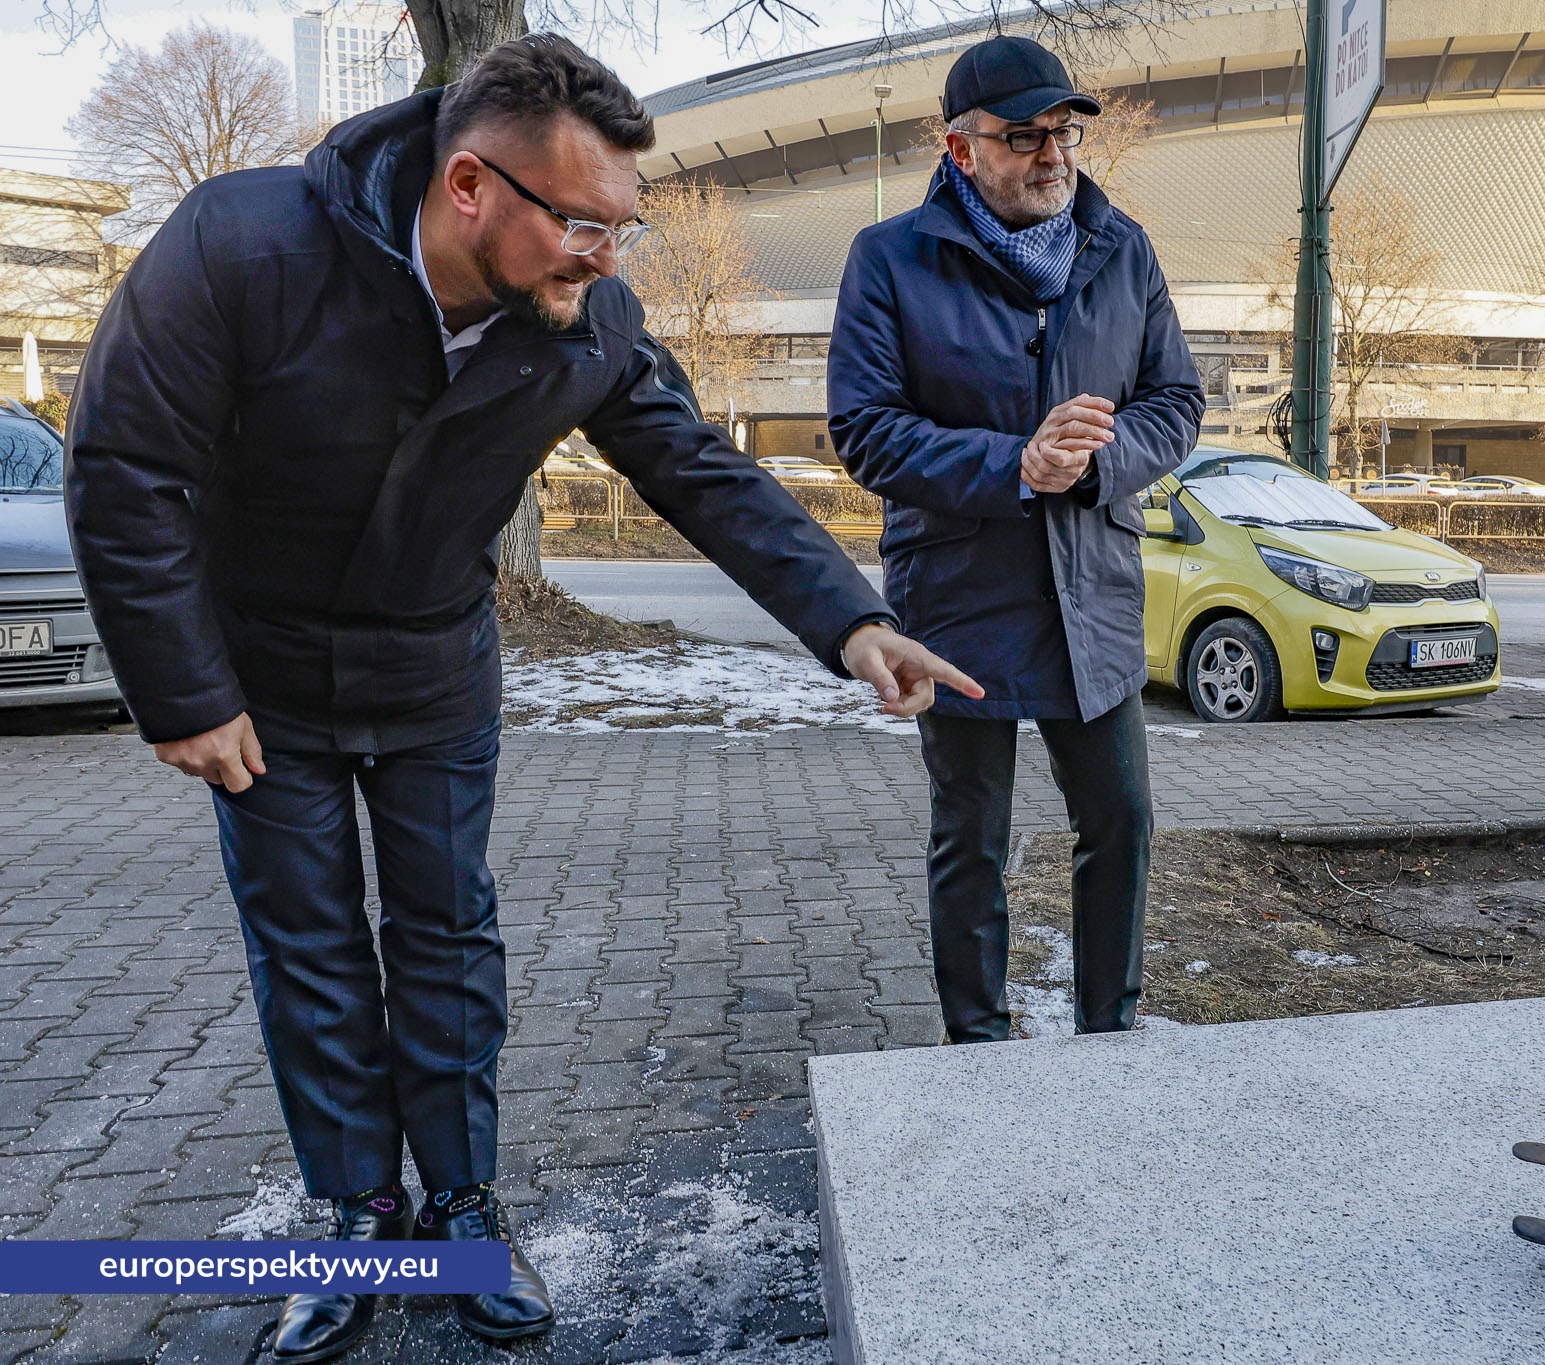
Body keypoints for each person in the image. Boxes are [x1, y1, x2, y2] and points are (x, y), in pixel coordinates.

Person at [65, 34, 976, 1363]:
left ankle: (463, 1208)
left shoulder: (588, 318)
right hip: (257, 684)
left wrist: (851, 620)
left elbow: (698, 474)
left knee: (446, 940)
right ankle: (356, 1212)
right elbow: (124, 466)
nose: (611, 255)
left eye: (626, 225)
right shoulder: (243, 247)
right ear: (473, 186)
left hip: (433, 668)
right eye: (584, 223)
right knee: (311, 952)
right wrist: (185, 695)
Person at [828, 35, 1204, 1044]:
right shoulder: (890, 258)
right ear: (961, 151)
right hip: (958, 596)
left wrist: (1098, 458)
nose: (1051, 155)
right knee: (971, 840)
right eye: (1021, 137)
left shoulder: (1120, 248)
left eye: (1063, 132)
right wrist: (1013, 465)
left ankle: (1109, 1034)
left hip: (1093, 591)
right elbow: (863, 428)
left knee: (1120, 821)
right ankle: (976, 1046)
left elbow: (1175, 398)